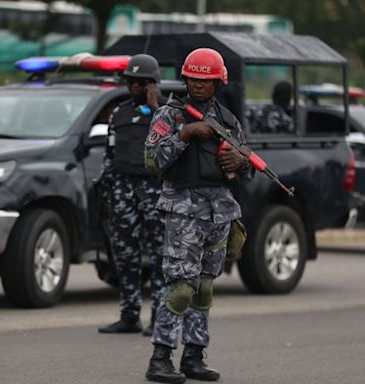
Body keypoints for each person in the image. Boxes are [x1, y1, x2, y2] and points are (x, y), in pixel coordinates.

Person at [143, 48, 253, 383]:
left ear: (218, 81)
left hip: (217, 212)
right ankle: (160, 358)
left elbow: (245, 162)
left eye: (205, 79)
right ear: (185, 78)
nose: (199, 85)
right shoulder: (169, 115)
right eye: (193, 78)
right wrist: (186, 134)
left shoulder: (228, 119)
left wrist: (240, 161)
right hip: (184, 212)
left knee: (204, 288)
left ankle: (194, 356)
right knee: (180, 288)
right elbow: (151, 161)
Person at [97, 54, 166, 336]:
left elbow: (172, 144)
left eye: (141, 81)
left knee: (160, 256)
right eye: (131, 80)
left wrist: (155, 106)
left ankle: (160, 317)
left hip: (154, 191)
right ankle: (129, 315)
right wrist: (107, 186)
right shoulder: (119, 113)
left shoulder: (166, 111)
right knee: (125, 256)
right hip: (123, 190)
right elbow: (110, 153)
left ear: (152, 83)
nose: (135, 85)